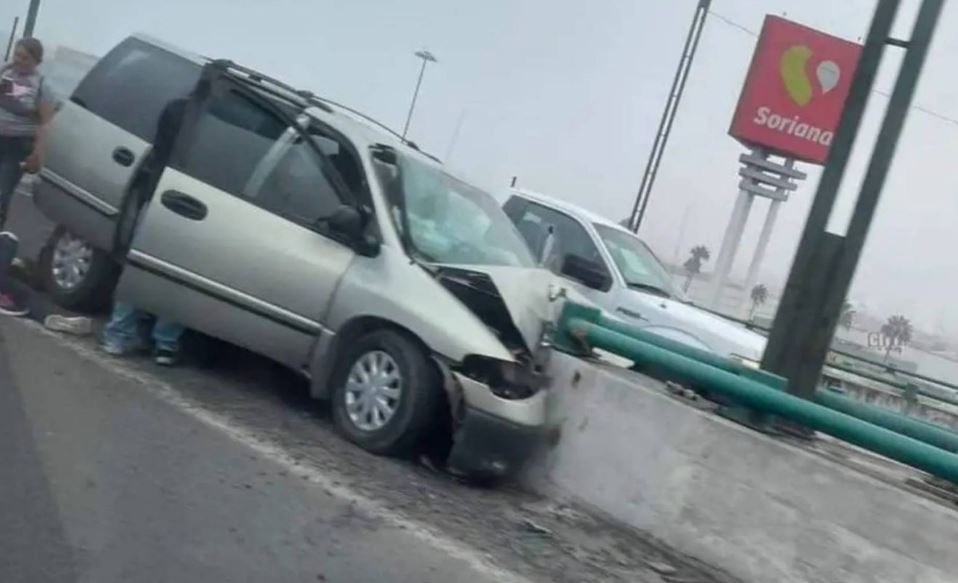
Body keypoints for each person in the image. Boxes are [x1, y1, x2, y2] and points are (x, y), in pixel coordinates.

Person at [100, 95, 191, 366]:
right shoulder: (216, 125)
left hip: (159, 193)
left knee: (139, 266)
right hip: (193, 203)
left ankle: (120, 333)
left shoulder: (177, 107)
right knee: (179, 276)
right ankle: (164, 341)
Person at [0, 37, 53, 316]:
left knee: (2, 192)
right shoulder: (5, 73)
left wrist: (37, 153)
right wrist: (7, 66)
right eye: (16, 55)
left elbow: (45, 123)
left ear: (35, 60)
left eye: (24, 57)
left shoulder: (41, 85)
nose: (19, 60)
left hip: (16, 146)